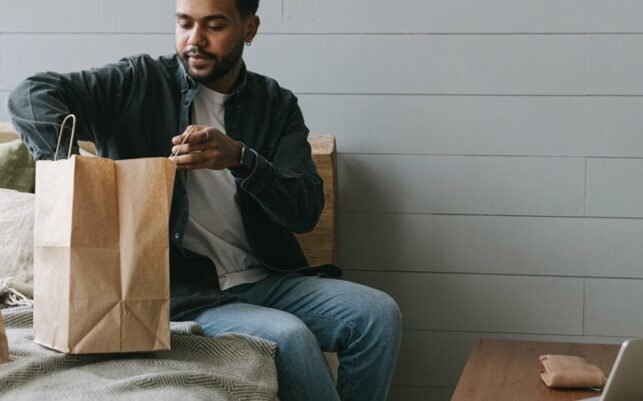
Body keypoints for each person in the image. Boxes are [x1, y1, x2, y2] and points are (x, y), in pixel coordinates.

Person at [6, 0, 402, 400]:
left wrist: (242, 160)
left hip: (267, 277)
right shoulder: (137, 83)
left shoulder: (276, 104)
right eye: (185, 24)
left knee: (377, 314)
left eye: (214, 26)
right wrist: (72, 170)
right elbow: (31, 95)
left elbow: (304, 213)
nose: (195, 40)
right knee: (290, 337)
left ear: (249, 28)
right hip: (183, 292)